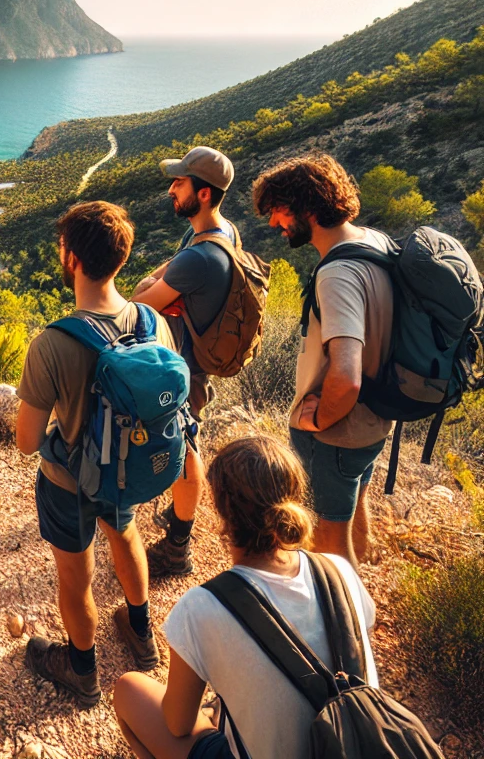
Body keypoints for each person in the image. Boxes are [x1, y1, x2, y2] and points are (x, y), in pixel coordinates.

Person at [114, 434, 378, 759]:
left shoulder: (202, 607)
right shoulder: (339, 571)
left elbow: (178, 724)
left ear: (221, 511)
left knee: (128, 689)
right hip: (356, 741)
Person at [15, 201, 179, 704]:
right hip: (130, 471)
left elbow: (25, 442)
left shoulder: (53, 343)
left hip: (70, 483)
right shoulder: (152, 323)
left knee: (75, 574)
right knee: (124, 531)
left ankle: (81, 669)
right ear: (121, 259)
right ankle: (141, 632)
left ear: (70, 259)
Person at [252, 153, 392, 565]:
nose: (273, 224)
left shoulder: (338, 275)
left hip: (337, 432)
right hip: (374, 418)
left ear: (306, 206)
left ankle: (340, 622)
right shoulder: (373, 241)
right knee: (348, 510)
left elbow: (346, 376)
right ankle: (359, 604)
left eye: (277, 211)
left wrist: (318, 420)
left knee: (328, 537)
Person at [132, 146, 236, 578]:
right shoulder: (218, 232)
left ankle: (179, 546)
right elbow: (163, 279)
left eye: (180, 182)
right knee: (183, 441)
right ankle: (178, 523)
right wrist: (160, 284)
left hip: (184, 369)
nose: (171, 188)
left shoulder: (201, 256)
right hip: (189, 362)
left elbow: (140, 301)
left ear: (205, 193)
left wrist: (153, 285)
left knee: (184, 446)